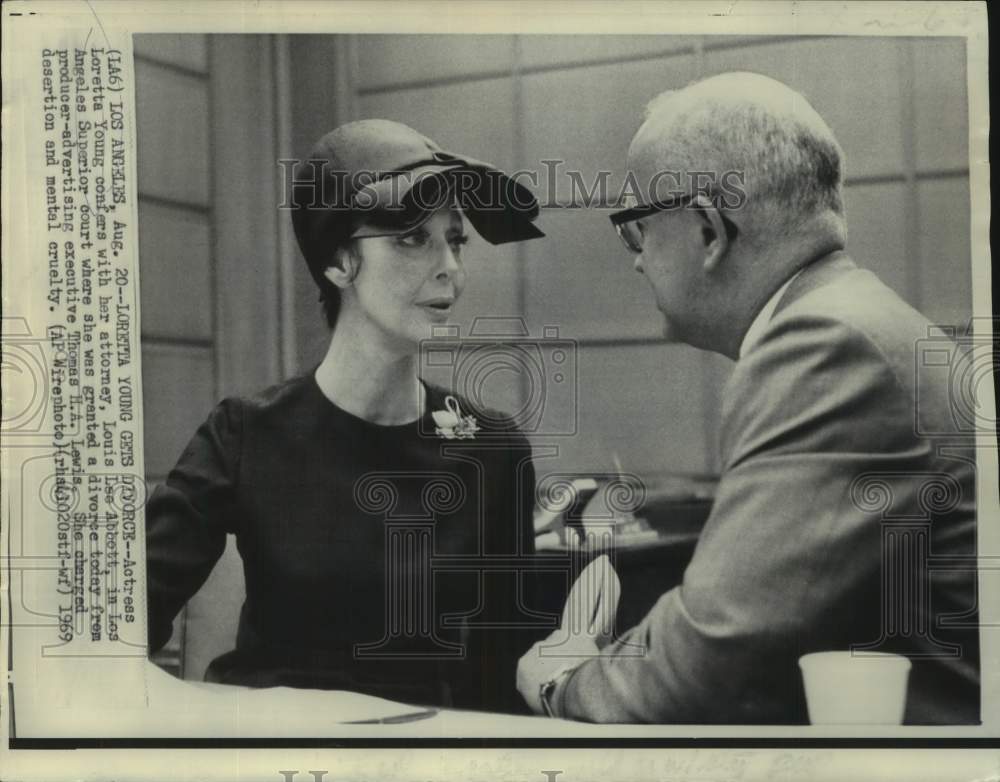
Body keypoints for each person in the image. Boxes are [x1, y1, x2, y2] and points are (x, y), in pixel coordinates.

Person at [517, 72, 980, 724]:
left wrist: (560, 680)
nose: (637, 260)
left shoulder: (823, 345)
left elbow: (715, 654)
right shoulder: (853, 319)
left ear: (709, 231)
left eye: (636, 229)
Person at [146, 119, 544, 713]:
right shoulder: (245, 433)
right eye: (413, 238)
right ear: (338, 262)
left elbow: (502, 677)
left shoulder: (491, 449)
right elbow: (111, 629)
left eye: (455, 240)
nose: (450, 269)